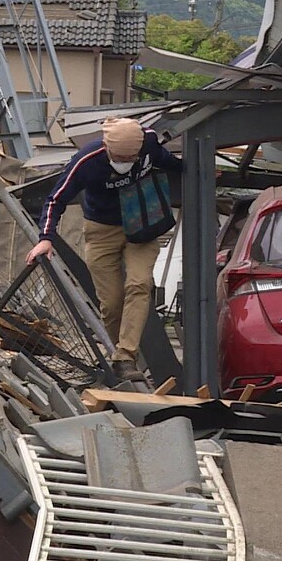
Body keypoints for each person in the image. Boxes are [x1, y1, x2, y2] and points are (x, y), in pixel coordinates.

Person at [26, 118, 183, 382]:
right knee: (111, 303)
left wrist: (198, 169)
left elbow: (169, 162)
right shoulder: (87, 161)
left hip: (141, 225)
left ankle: (125, 357)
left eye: (129, 158)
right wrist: (46, 237)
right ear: (107, 149)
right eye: (118, 158)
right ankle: (120, 354)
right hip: (101, 230)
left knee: (139, 284)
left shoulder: (148, 145)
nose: (123, 163)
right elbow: (56, 198)